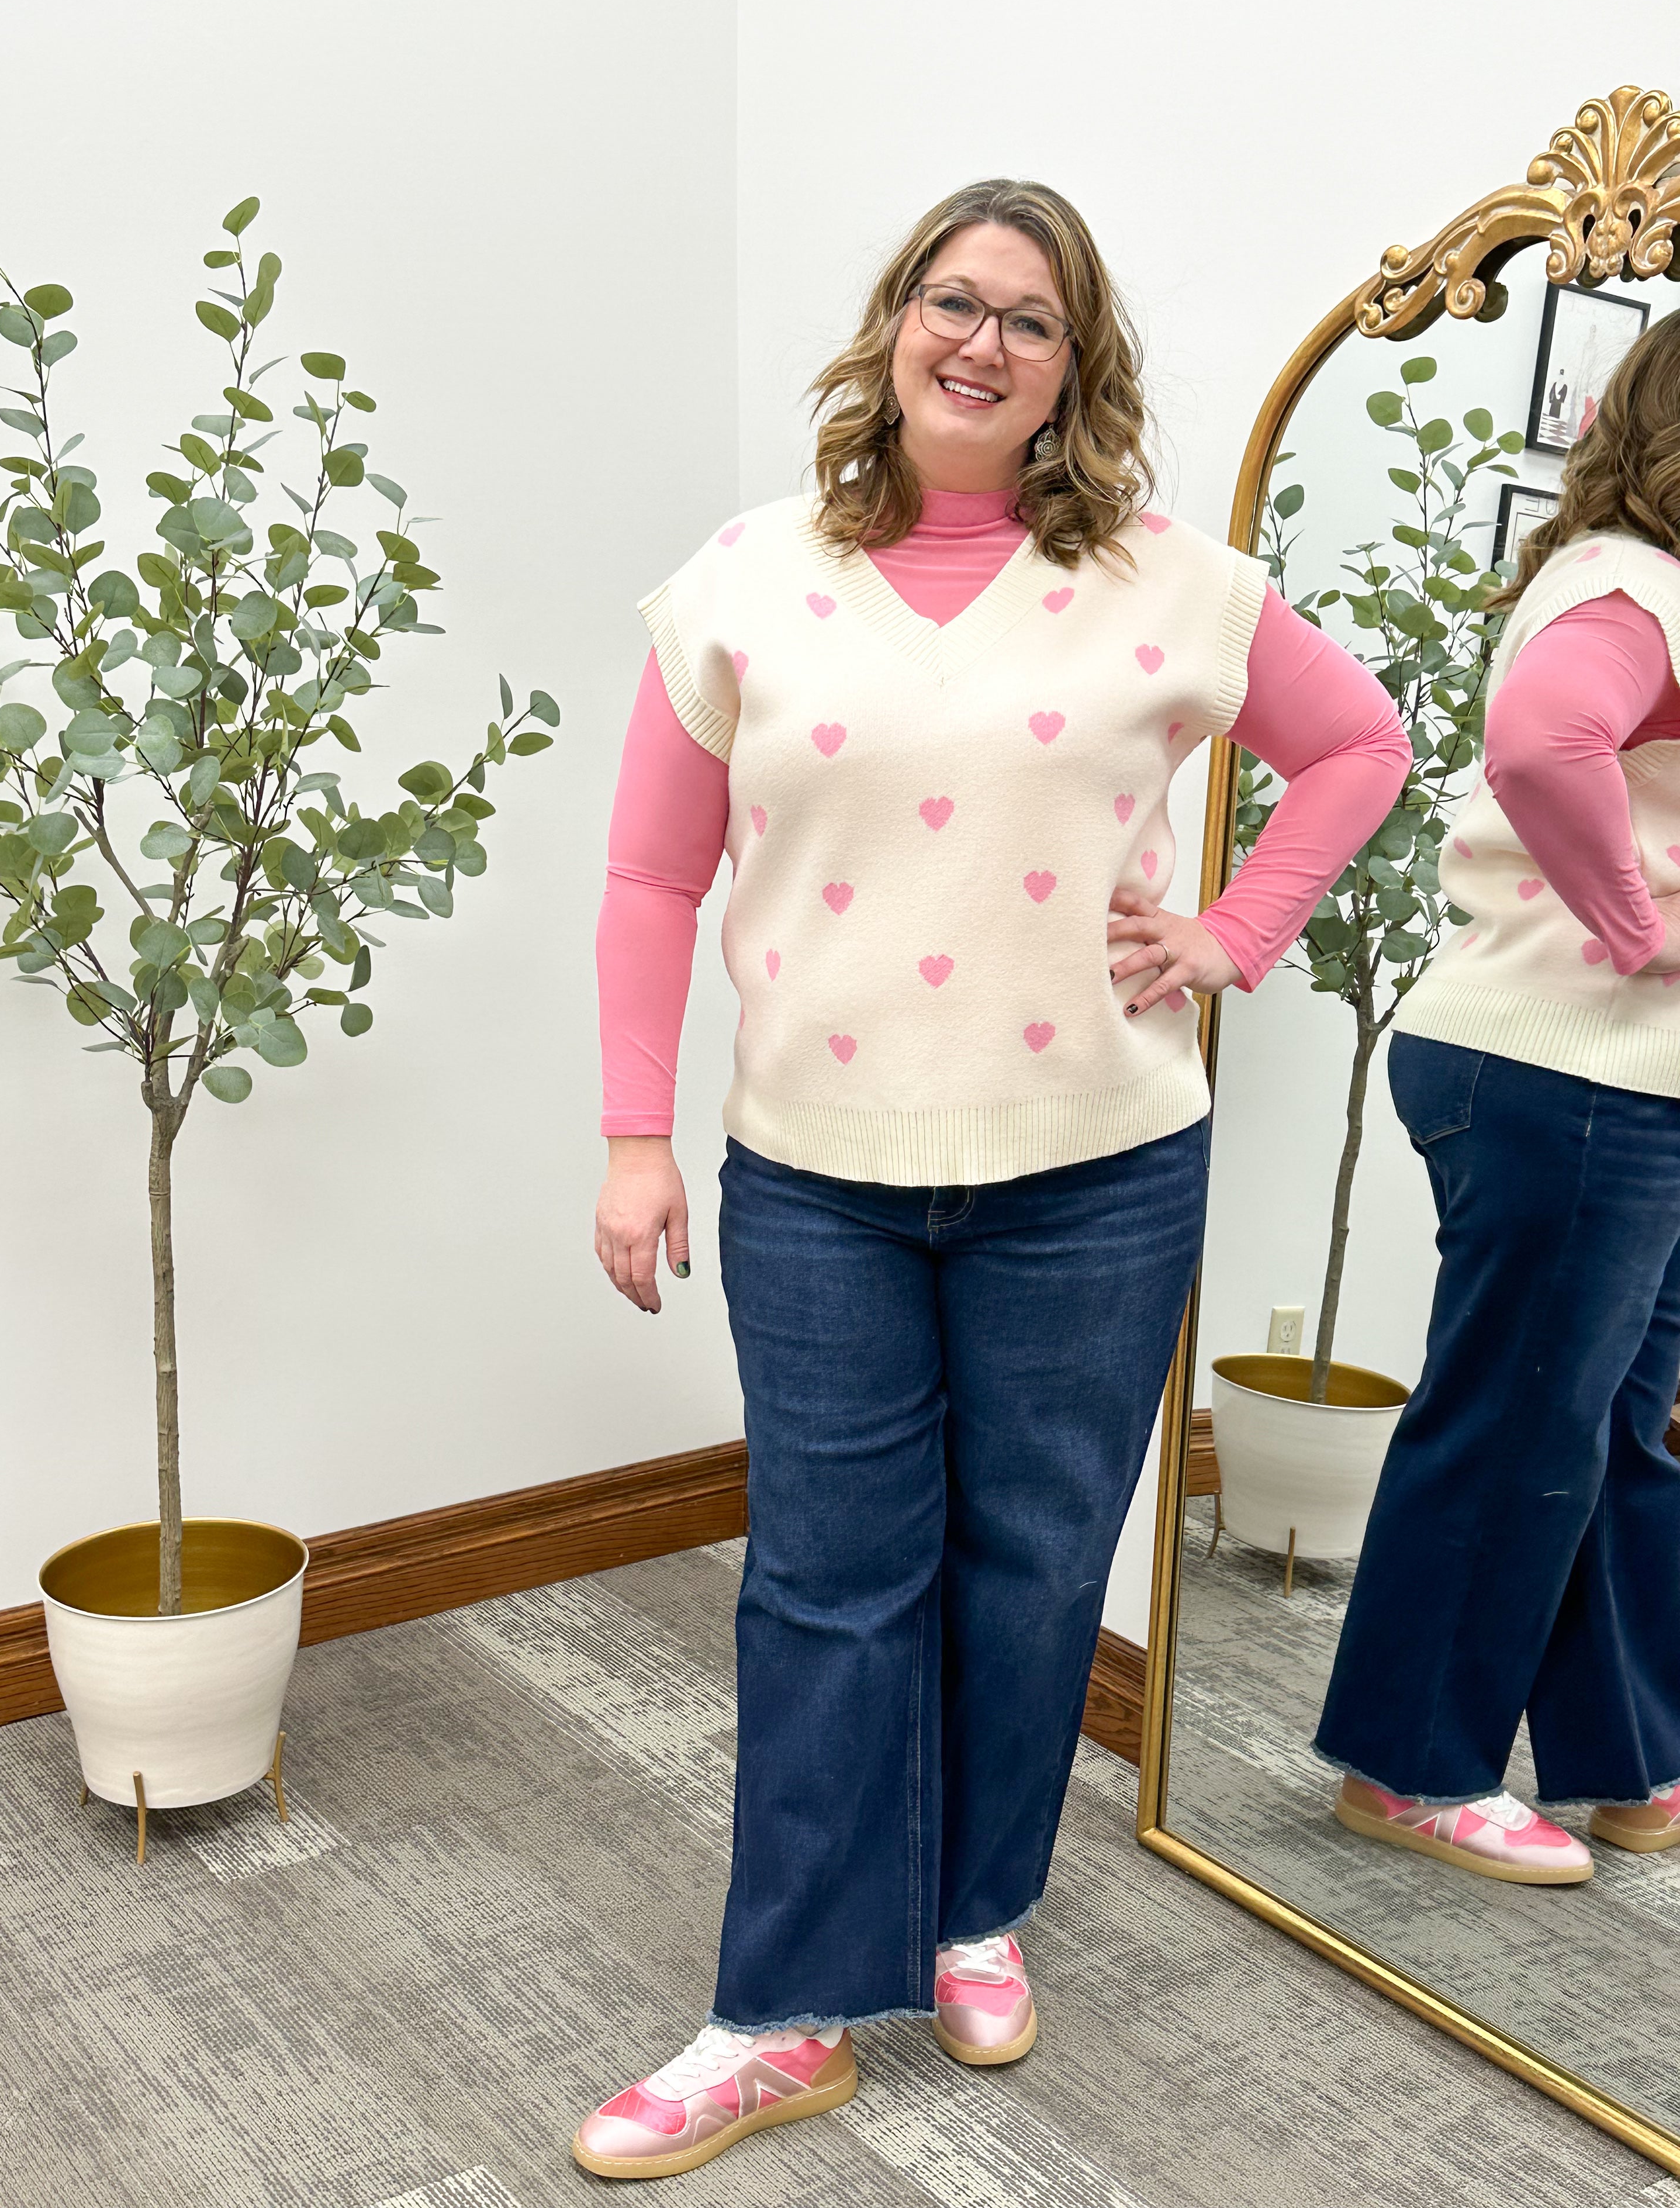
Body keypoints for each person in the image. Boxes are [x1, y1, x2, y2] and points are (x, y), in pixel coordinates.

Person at [577, 178, 1409, 2182]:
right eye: (954, 300)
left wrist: (1230, 936)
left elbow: (1363, 746)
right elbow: (649, 874)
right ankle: (779, 2008)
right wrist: (631, 1133)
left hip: (1100, 1173)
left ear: (1072, 372)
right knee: (825, 1587)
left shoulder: (1168, 585)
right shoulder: (746, 582)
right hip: (820, 1177)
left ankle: (972, 1911)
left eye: (1030, 321)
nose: (981, 341)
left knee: (1037, 1570)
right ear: (892, 327)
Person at [1315, 307, 1680, 1885]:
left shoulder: (1629, 580)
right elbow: (1546, 744)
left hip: (1606, 1075)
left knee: (1608, 1427)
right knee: (1528, 1413)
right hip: (1566, 1063)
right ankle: (1411, 1762)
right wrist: (1636, 922)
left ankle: (1630, 1753)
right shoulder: (1635, 589)